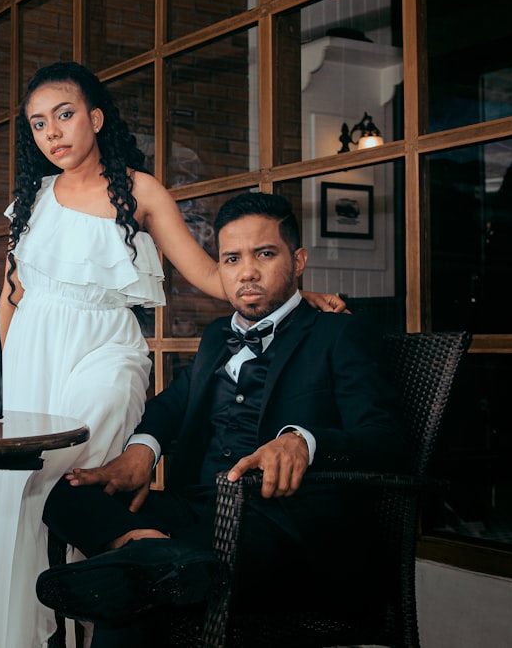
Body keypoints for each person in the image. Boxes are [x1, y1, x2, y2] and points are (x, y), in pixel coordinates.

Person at [0, 61, 346, 648]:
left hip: (102, 347)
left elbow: (206, 272)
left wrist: (291, 293)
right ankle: (55, 621)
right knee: (24, 488)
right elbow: (10, 294)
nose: (53, 132)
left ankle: (116, 594)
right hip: (30, 354)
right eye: (39, 124)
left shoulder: (139, 190)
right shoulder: (31, 198)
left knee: (74, 464)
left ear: (94, 117)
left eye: (64, 115)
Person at [35, 191, 408, 647]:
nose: (247, 271)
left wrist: (304, 441)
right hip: (197, 511)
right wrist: (140, 452)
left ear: (299, 260)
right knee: (65, 494)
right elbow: (172, 404)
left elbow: (386, 438)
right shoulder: (216, 336)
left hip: (282, 527)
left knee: (130, 598)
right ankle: (157, 558)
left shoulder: (340, 333)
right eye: (231, 259)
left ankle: (146, 564)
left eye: (265, 254)